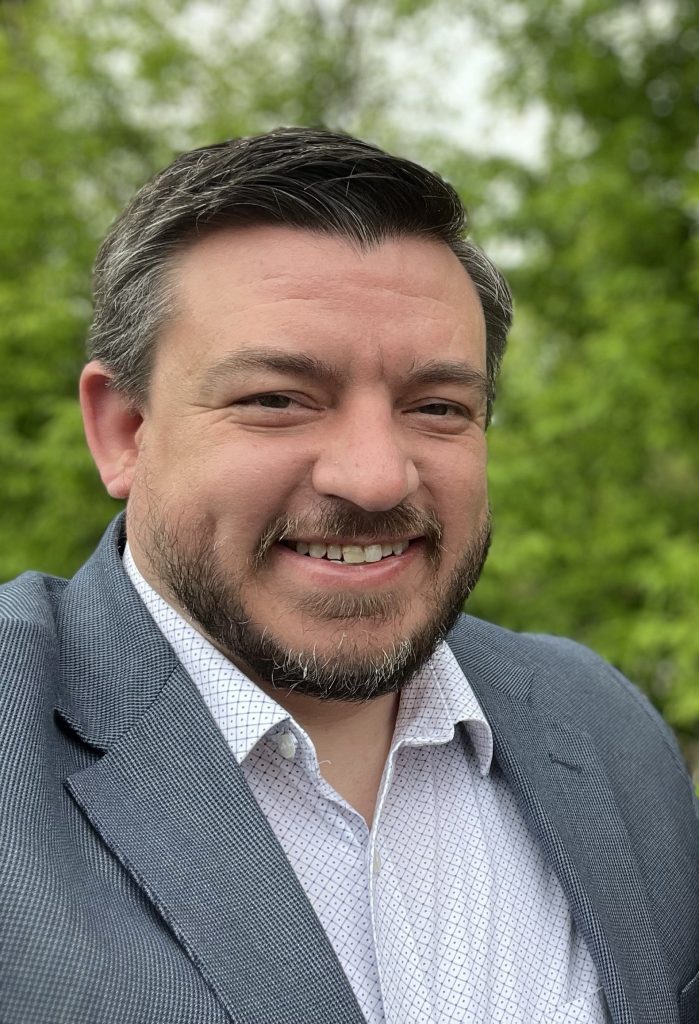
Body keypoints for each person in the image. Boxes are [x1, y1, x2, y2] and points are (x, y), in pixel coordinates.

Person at [1, 127, 697, 1024]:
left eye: (437, 408)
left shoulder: (601, 726)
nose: (374, 477)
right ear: (124, 430)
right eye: (278, 400)